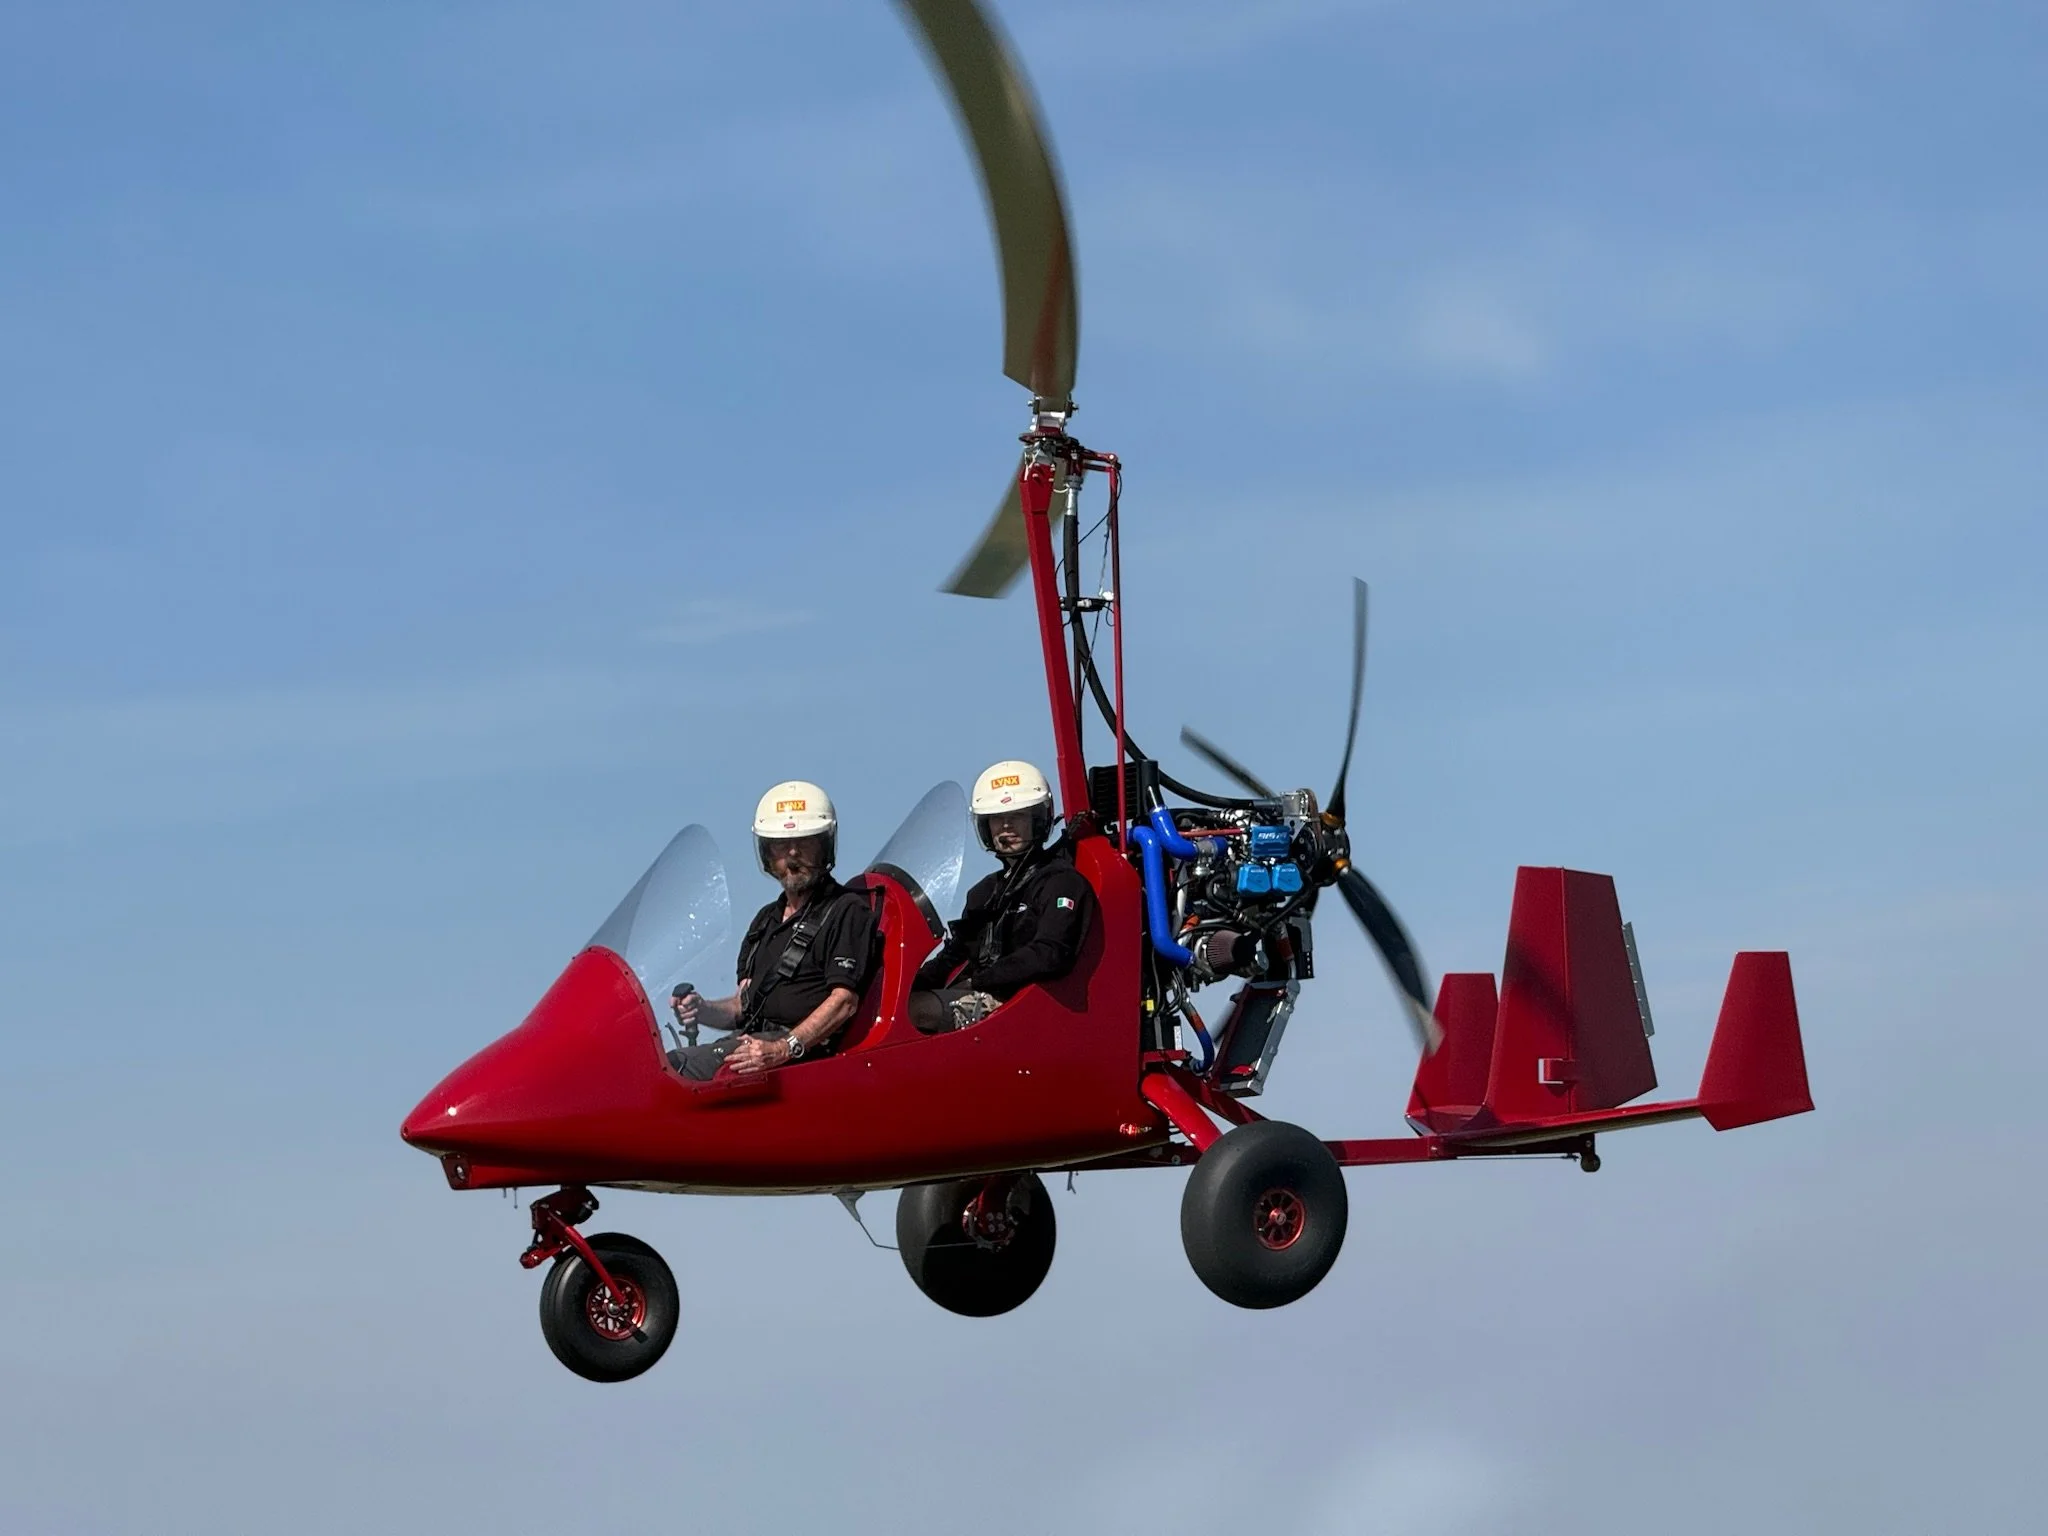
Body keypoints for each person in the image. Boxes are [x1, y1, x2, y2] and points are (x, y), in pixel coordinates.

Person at [670, 780, 876, 1080]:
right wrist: (702, 1010)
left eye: (805, 842)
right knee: (664, 1066)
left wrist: (785, 1047)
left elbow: (844, 1001)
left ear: (824, 847)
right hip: (756, 1046)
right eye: (781, 844)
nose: (792, 855)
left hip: (809, 1058)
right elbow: (743, 1006)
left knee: (679, 1067)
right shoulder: (764, 921)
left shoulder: (846, 910)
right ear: (767, 853)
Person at [911, 760, 1096, 1033]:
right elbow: (954, 956)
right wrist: (906, 984)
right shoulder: (983, 893)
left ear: (1039, 819)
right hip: (986, 996)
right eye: (998, 818)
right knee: (886, 1013)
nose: (1006, 827)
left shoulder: (1060, 881)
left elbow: (1049, 953)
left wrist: (980, 981)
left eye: (1018, 816)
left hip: (1023, 1006)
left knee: (914, 1013)